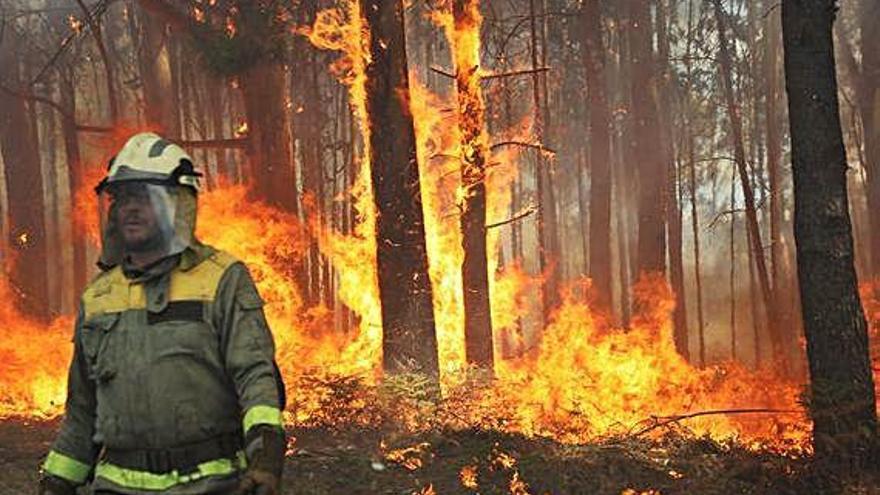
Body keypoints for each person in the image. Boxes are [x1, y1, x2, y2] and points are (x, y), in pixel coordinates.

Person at [38, 132, 286, 495]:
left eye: (144, 196)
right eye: (122, 198)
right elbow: (82, 410)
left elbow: (254, 375)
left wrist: (266, 459)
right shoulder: (99, 296)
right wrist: (57, 481)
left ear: (177, 204)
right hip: (117, 486)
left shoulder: (221, 279)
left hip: (211, 484)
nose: (130, 208)